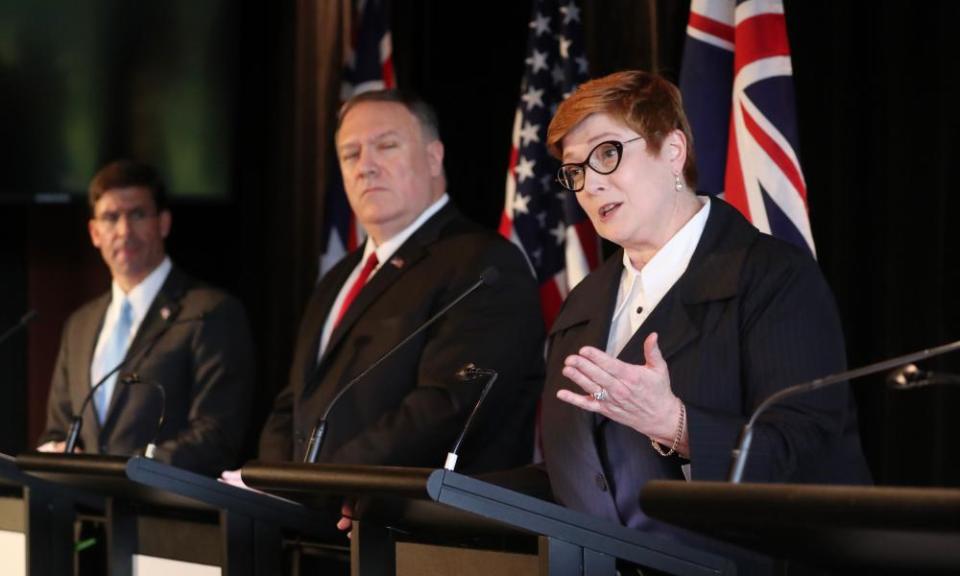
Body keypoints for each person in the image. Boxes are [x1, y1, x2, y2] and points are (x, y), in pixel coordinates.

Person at [540, 71, 871, 569]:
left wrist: (676, 424)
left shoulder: (772, 278)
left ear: (672, 150)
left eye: (607, 153)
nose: (591, 184)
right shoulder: (582, 304)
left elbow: (806, 458)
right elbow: (570, 472)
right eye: (575, 172)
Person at [257, 90, 544, 479]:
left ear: (433, 157)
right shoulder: (338, 278)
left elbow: (448, 407)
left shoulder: (483, 265)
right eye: (350, 154)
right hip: (312, 524)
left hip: (418, 528)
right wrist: (275, 482)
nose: (365, 167)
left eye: (386, 146)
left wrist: (320, 483)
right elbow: (294, 401)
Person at [38, 160, 255, 477]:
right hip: (87, 517)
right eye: (111, 218)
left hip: (169, 518)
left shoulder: (210, 312)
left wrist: (126, 472)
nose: (124, 231)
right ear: (95, 233)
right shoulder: (79, 326)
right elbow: (57, 431)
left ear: (164, 223)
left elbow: (215, 436)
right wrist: (56, 453)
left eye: (137, 214)